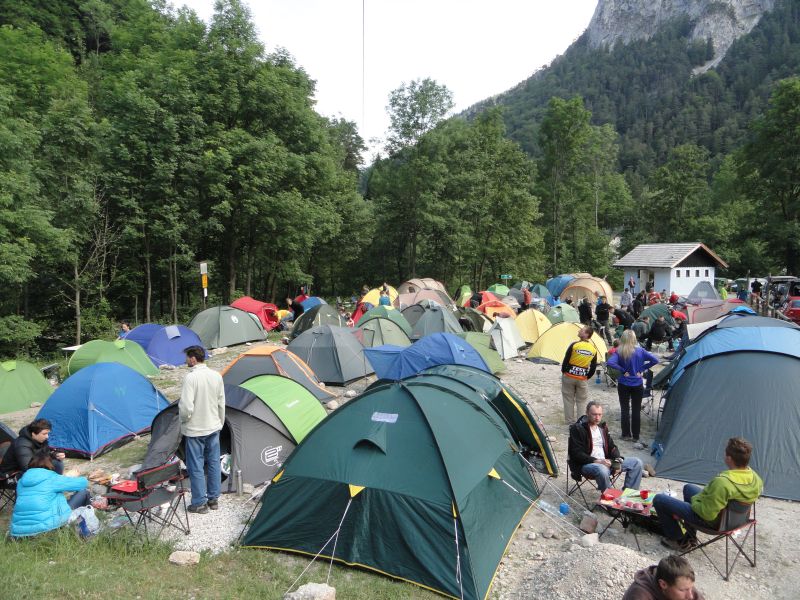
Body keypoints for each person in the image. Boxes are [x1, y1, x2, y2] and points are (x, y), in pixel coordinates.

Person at [653, 437, 763, 551]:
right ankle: (690, 537)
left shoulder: (723, 482)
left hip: (716, 523)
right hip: (737, 520)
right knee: (688, 488)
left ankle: (678, 540)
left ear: (729, 459)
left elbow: (707, 514)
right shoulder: (755, 478)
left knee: (659, 499)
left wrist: (695, 500)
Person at [179, 345, 225, 514]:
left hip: (195, 429)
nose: (185, 361)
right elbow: (221, 402)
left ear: (193, 359)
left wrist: (184, 421)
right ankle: (213, 499)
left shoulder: (190, 378)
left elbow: (185, 406)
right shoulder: (216, 376)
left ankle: (199, 503)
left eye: (187, 358)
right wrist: (220, 422)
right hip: (213, 426)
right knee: (213, 462)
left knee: (196, 465)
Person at [10, 450, 90, 538]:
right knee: (84, 492)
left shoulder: (21, 481)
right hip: (47, 529)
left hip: (18, 532)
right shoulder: (51, 477)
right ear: (49, 464)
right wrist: (71, 476)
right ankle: (86, 527)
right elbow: (83, 483)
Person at [568, 401, 643, 492]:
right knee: (602, 469)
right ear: (587, 413)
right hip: (588, 464)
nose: (597, 418)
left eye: (600, 414)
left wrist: (617, 461)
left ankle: (628, 495)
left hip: (607, 461)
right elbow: (577, 454)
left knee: (636, 463)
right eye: (594, 414)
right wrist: (598, 461)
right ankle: (610, 499)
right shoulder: (578, 428)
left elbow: (612, 447)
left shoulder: (602, 427)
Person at [606, 330, 659, 442]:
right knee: (636, 410)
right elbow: (655, 360)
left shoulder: (619, 351)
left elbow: (610, 362)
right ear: (634, 339)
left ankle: (625, 434)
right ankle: (636, 436)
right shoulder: (640, 351)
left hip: (624, 383)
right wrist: (642, 369)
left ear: (623, 339)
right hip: (637, 383)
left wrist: (622, 369)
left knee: (624, 410)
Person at [560, 326, 598, 424]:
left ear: (586, 334)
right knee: (581, 401)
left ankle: (569, 421)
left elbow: (566, 359)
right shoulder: (593, 349)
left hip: (569, 375)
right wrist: (587, 376)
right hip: (582, 378)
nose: (579, 331)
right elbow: (593, 367)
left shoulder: (574, 345)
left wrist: (564, 371)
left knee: (568, 399)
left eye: (581, 330)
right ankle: (581, 421)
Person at [0, 419, 66, 475]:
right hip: (12, 474)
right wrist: (46, 466)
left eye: (48, 433)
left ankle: (55, 484)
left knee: (57, 463)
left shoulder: (41, 440)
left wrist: (55, 455)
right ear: (33, 434)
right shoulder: (22, 445)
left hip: (30, 467)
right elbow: (27, 469)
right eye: (44, 434)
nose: (47, 436)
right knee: (48, 467)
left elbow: (46, 453)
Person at [623, 555, 705, 600]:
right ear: (663, 584)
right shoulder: (640, 595)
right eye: (683, 590)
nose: (690, 596)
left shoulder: (683, 584)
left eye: (691, 588)